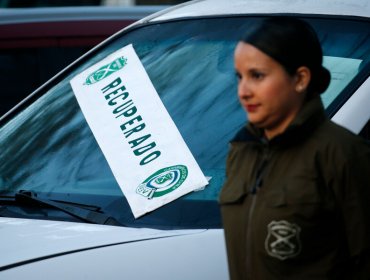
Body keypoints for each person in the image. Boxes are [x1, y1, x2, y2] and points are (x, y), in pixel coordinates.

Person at [219, 17, 370, 280]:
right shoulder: (242, 150)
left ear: (300, 79)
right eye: (239, 77)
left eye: (257, 75)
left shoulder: (344, 155)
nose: (243, 91)